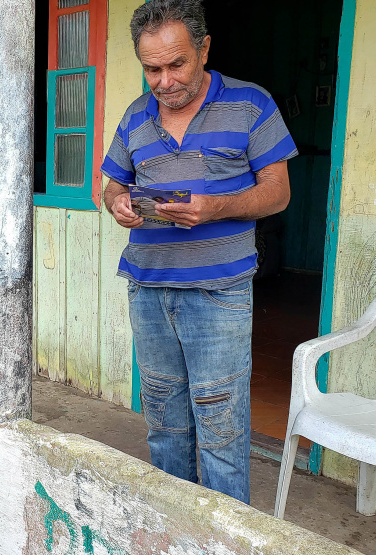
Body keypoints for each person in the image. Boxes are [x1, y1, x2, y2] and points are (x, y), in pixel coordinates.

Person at [101, 0, 297, 505]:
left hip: (219, 294)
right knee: (164, 420)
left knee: (221, 426)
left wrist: (216, 208)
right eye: (152, 69)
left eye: (176, 64)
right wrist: (118, 203)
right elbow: (111, 186)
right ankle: (175, 526)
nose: (164, 81)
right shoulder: (135, 117)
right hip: (148, 290)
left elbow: (278, 191)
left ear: (204, 48)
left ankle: (225, 536)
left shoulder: (250, 104)